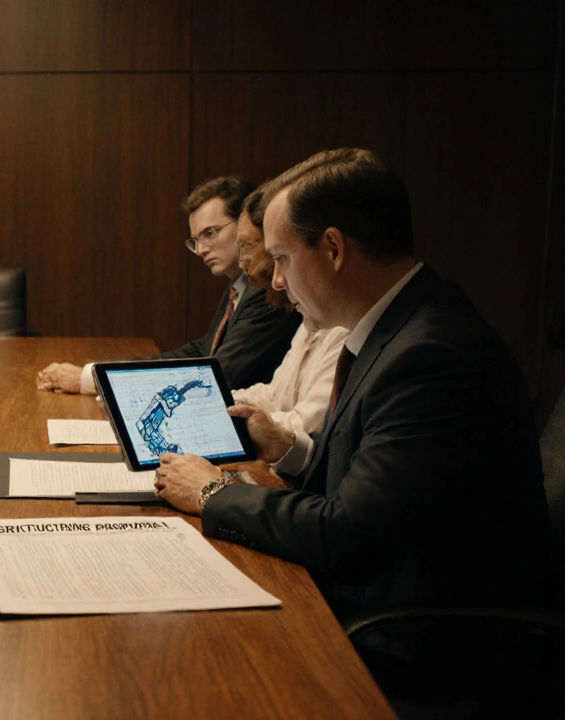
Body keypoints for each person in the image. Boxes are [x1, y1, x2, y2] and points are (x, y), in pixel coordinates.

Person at [152, 148, 550, 621]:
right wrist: (286, 447)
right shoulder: (398, 326)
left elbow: (346, 534)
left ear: (334, 249)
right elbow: (361, 482)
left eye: (281, 258)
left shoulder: (431, 356)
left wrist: (212, 493)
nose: (275, 282)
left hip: (421, 636)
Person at [37, 176, 299, 394]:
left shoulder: (268, 290)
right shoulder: (239, 285)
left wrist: (91, 379)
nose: (201, 250)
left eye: (210, 233)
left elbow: (214, 376)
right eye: (196, 240)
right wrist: (100, 369)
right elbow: (200, 351)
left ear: (243, 222)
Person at [230, 184, 349, 436]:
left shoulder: (344, 323)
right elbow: (274, 395)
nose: (276, 279)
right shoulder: (309, 319)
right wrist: (218, 402)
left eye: (279, 258)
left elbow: (307, 427)